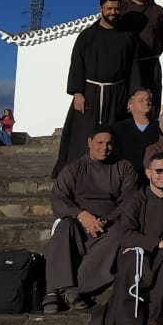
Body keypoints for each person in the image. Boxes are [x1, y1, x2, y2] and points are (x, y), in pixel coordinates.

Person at [89, 151, 163, 325]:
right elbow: (126, 233)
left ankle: (160, 324)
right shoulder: (136, 199)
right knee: (132, 260)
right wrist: (158, 243)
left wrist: (161, 246)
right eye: (159, 171)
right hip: (141, 250)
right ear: (148, 173)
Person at [42, 127, 137, 313]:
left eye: (109, 143)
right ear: (89, 143)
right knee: (64, 228)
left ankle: (77, 288)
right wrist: (81, 215)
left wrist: (107, 220)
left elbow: (129, 200)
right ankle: (54, 290)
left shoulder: (124, 167)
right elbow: (59, 197)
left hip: (110, 221)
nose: (104, 147)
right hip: (78, 219)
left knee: (119, 234)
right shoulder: (74, 168)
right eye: (99, 143)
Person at [55, 0, 142, 177]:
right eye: (109, 8)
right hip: (90, 93)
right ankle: (77, 174)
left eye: (117, 9)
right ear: (100, 9)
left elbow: (134, 68)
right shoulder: (87, 36)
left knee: (115, 134)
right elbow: (77, 64)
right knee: (83, 134)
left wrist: (133, 96)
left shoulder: (128, 37)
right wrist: (77, 93)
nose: (113, 12)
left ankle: (113, 173)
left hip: (118, 93)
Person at [118, 0, 163, 115]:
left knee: (149, 107)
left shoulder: (158, 11)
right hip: (125, 67)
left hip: (150, 67)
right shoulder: (120, 10)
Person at [111, 89, 160, 177]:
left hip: (153, 176)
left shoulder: (160, 127)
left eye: (148, 100)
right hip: (126, 175)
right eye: (141, 100)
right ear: (130, 106)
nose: (146, 103)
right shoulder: (119, 128)